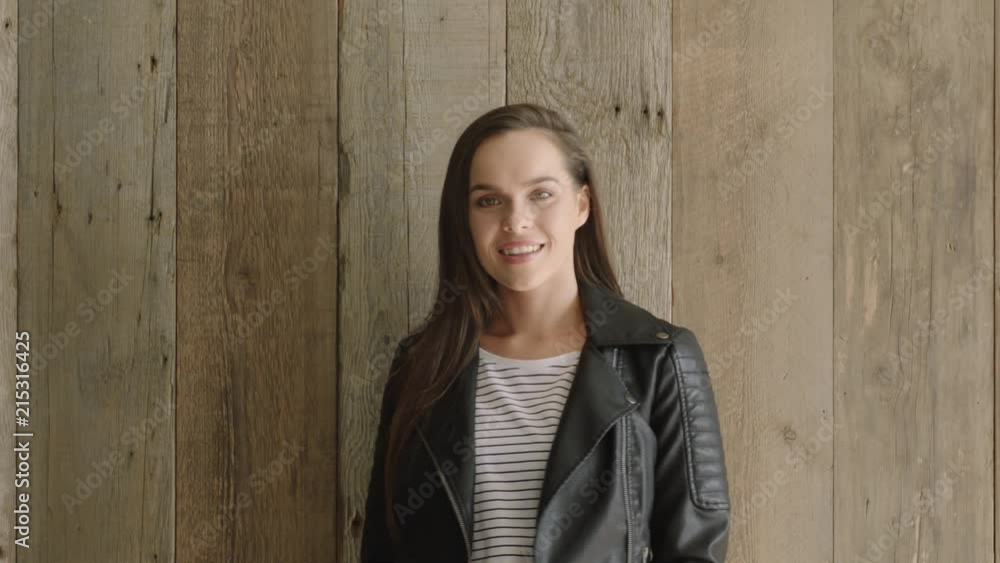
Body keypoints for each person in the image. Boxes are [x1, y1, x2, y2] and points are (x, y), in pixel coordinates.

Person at [361, 103, 731, 562]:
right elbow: (383, 546)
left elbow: (694, 550)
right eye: (488, 200)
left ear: (581, 204)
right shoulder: (422, 365)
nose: (515, 221)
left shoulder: (657, 358)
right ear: (466, 219)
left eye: (540, 195)